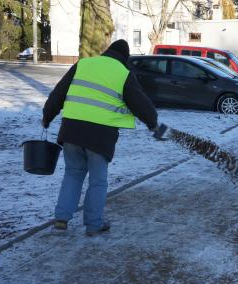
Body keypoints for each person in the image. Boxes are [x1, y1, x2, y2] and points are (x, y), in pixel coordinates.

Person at [42, 39, 159, 236]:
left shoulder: (83, 64)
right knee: (97, 181)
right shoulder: (123, 74)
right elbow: (141, 104)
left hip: (71, 132)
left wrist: (47, 117)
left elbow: (58, 93)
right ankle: (94, 225)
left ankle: (61, 220)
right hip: (99, 138)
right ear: (125, 58)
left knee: (72, 174)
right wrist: (153, 124)